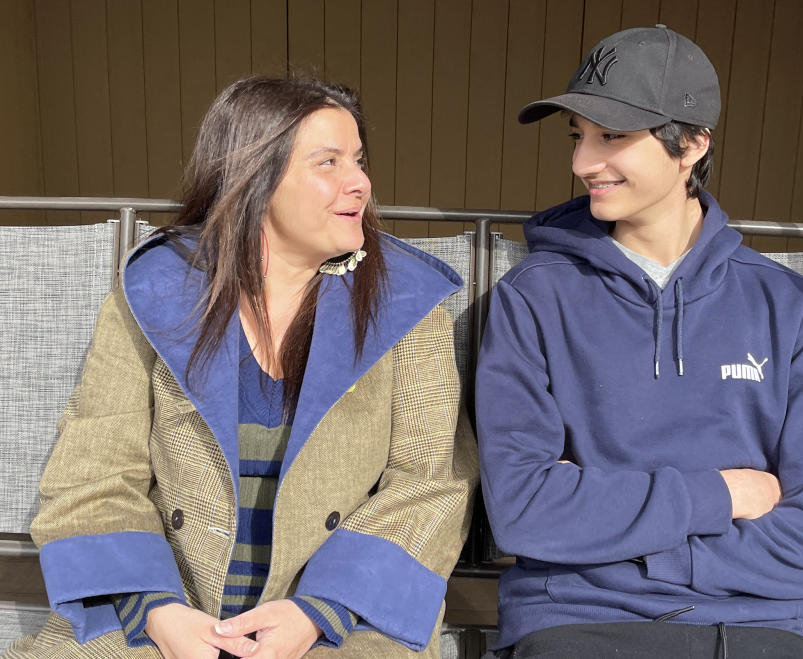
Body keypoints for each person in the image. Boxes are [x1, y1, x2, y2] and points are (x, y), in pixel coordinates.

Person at [5, 77, 477, 659]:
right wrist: (157, 611)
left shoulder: (405, 304)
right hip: (170, 615)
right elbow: (94, 473)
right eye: (328, 162)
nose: (359, 182)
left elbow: (430, 483)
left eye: (357, 160)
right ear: (253, 175)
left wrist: (317, 612)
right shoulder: (157, 292)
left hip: (343, 620)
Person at [475, 26, 803, 658]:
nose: (581, 163)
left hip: (755, 628)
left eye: (612, 137)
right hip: (575, 622)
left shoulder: (789, 306)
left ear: (691, 144)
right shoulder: (533, 296)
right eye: (578, 137)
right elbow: (524, 510)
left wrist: (612, 529)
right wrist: (725, 495)